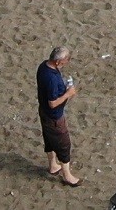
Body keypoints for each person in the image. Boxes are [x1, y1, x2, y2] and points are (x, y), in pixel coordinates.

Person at [38, 46, 80, 185]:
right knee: (64, 145)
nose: (66, 63)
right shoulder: (51, 79)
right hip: (54, 117)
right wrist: (68, 94)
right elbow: (53, 103)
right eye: (65, 61)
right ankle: (67, 176)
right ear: (57, 62)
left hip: (44, 112)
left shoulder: (43, 66)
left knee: (49, 140)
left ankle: (53, 166)